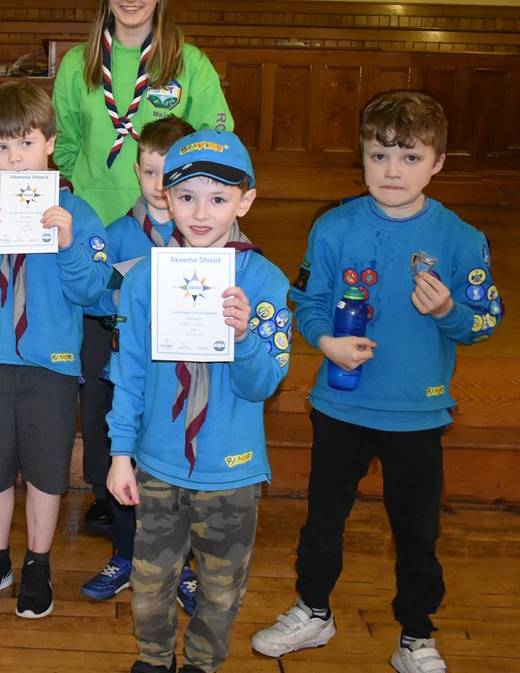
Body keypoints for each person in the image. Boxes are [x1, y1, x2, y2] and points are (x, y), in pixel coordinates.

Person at [251, 91, 502, 673]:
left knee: (417, 532)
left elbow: (485, 322)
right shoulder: (333, 228)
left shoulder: (461, 239)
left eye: (410, 158)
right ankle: (313, 610)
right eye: (380, 155)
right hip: (342, 406)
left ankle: (416, 634)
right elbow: (306, 301)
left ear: (438, 163)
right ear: (360, 157)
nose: (393, 171)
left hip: (418, 415)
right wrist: (326, 341)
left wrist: (449, 315)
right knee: (322, 521)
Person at [107, 130, 291, 673]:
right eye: (186, 196)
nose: (201, 212)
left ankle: (203, 664)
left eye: (219, 197)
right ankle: (153, 657)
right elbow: (129, 371)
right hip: (159, 461)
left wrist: (243, 338)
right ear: (165, 196)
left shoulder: (265, 281)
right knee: (149, 583)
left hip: (230, 470)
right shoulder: (144, 280)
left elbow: (265, 384)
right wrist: (121, 452)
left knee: (220, 588)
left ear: (246, 200)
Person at [0, 82, 110, 619]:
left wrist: (66, 249)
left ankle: (38, 562)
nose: (14, 159)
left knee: (45, 470)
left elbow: (93, 292)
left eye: (26, 144)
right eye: (1, 148)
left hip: (51, 366)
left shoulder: (74, 214)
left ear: (51, 144)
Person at [79, 116, 198, 613]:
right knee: (119, 462)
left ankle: (184, 566)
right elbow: (90, 295)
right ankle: (124, 555)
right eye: (150, 173)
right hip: (123, 372)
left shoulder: (205, 238)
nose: (160, 187)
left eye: (172, 177)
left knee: (180, 468)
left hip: (183, 378)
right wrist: (124, 295)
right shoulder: (117, 233)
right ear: (137, 169)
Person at [52, 0, 232, 225]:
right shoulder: (77, 63)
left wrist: (181, 196)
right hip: (90, 212)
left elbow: (214, 141)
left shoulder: (190, 63)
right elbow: (64, 142)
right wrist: (88, 188)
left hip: (166, 215)